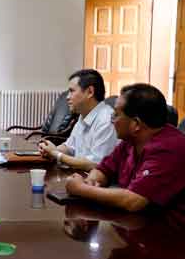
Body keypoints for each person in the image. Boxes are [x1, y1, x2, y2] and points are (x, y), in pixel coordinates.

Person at [66, 84, 185, 221]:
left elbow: (133, 201)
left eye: (116, 115)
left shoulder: (168, 148)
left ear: (136, 124)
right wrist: (92, 181)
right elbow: (104, 169)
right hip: (133, 221)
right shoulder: (130, 141)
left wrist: (81, 188)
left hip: (167, 228)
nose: (112, 120)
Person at [39, 69, 117, 171]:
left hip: (97, 180)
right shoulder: (84, 114)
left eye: (72, 91)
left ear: (90, 92)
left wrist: (56, 154)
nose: (67, 97)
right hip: (80, 176)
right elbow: (70, 147)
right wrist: (51, 150)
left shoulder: (107, 120)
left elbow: (95, 164)